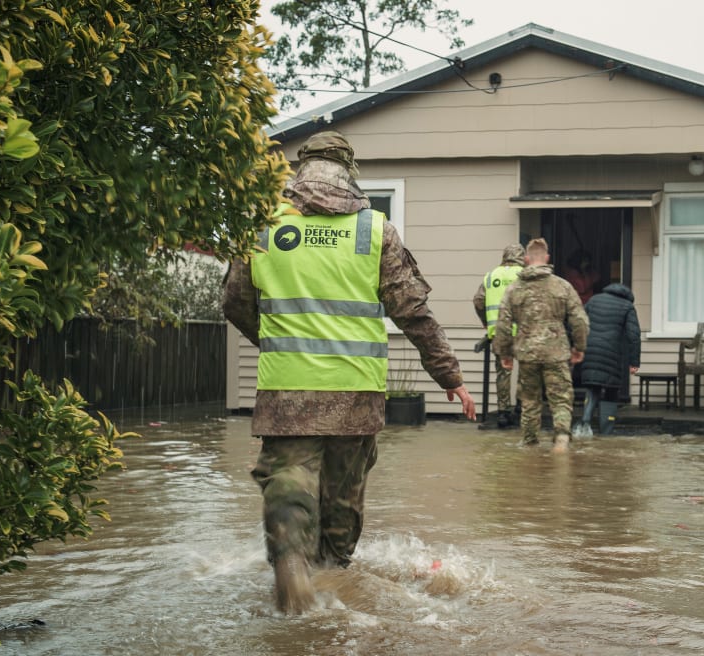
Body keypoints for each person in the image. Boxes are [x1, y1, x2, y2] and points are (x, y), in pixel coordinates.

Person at [222, 130, 476, 615]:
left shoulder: (261, 226)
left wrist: (275, 339)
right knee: (343, 496)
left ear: (300, 169)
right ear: (348, 171)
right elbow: (414, 313)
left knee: (289, 476)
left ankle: (291, 564)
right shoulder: (375, 230)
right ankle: (333, 579)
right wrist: (451, 378)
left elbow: (235, 302)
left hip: (287, 389)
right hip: (356, 390)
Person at [493, 238, 589, 453]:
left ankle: (529, 442)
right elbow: (580, 320)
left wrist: (504, 353)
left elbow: (503, 324)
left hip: (527, 354)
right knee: (561, 398)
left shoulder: (513, 290)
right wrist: (579, 347)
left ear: (526, 260)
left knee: (529, 400)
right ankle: (562, 438)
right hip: (556, 352)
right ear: (547, 258)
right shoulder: (562, 286)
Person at [574, 283, 642, 436]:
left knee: (592, 388)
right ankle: (606, 434)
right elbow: (634, 336)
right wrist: (634, 362)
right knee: (611, 390)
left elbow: (580, 324)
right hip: (613, 353)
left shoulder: (594, 300)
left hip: (590, 350)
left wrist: (577, 347)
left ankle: (585, 423)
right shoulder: (627, 306)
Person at [472, 243, 526, 428]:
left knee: (503, 372)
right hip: (522, 332)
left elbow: (478, 301)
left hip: (498, 333)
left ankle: (503, 412)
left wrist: (487, 323)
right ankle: (520, 408)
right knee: (525, 371)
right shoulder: (524, 276)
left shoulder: (491, 276)